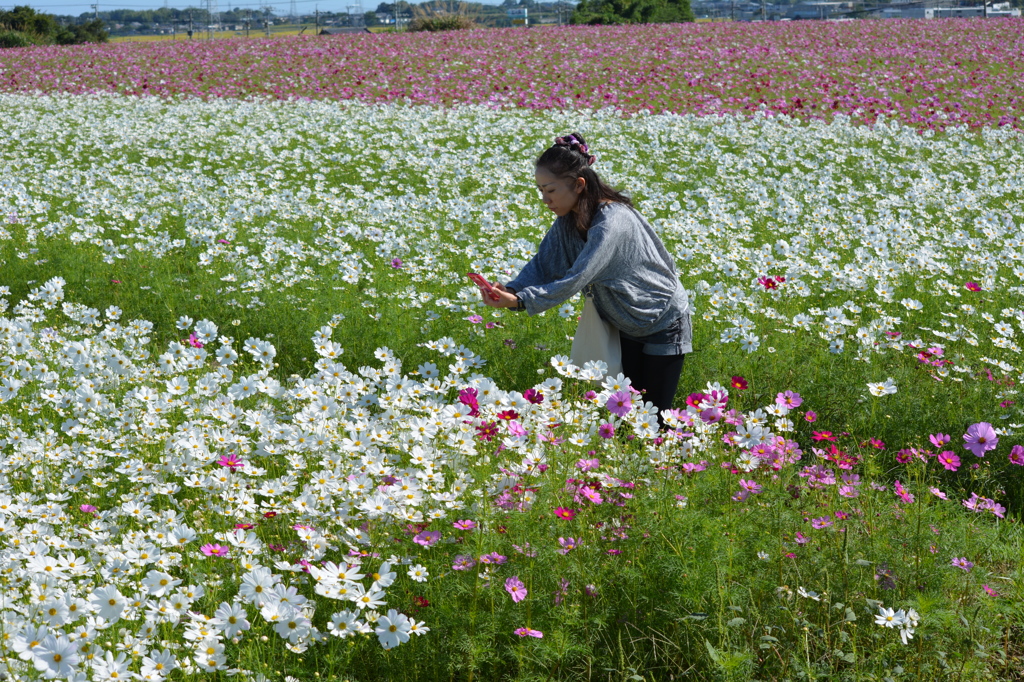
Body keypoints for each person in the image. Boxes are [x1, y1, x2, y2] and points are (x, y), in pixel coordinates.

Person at [477, 132, 692, 423]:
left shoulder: (611, 224)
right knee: (626, 415)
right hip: (625, 320)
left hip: (663, 319)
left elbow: (578, 277)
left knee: (656, 420)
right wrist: (513, 288)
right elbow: (544, 263)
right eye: (540, 190)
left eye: (550, 190)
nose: (544, 199)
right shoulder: (569, 220)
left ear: (578, 185)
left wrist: (519, 302)